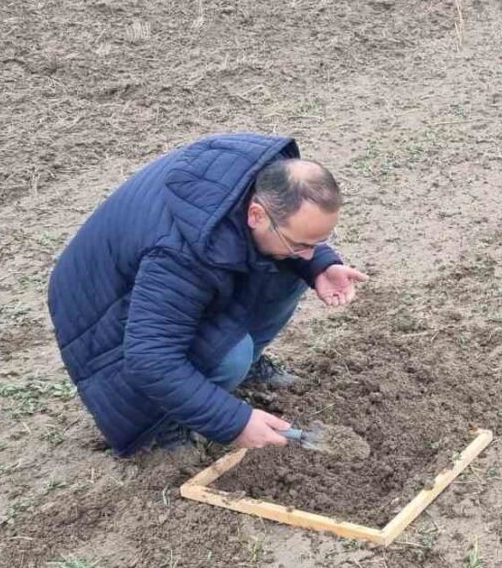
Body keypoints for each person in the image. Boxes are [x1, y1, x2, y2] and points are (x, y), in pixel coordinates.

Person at [48, 134, 367, 456]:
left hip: (163, 277)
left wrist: (322, 266)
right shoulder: (177, 255)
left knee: (291, 268)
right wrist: (233, 422)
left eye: (317, 242)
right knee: (229, 355)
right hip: (105, 308)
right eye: (302, 242)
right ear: (256, 215)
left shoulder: (262, 183)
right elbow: (149, 357)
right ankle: (166, 418)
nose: (310, 253)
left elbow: (295, 246)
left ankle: (238, 370)